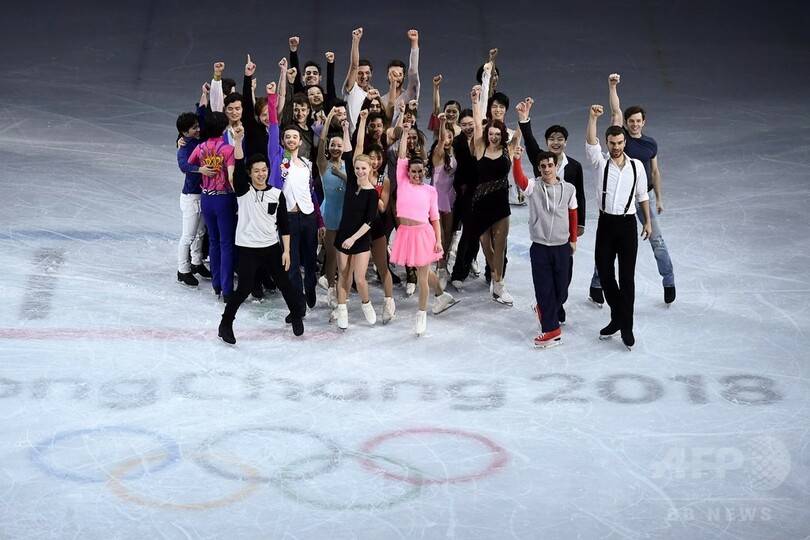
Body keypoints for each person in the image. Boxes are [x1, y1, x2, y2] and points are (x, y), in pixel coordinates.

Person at [589, 73, 676, 306]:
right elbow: (616, 110)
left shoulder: (650, 144)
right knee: (607, 245)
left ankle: (669, 281)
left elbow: (654, 172)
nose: (634, 124)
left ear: (643, 122)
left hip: (643, 197)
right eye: (631, 121)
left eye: (638, 121)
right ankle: (597, 283)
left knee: (657, 240)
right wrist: (612, 86)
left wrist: (658, 198)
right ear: (626, 124)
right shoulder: (621, 139)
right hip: (619, 200)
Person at [217, 126, 304, 344]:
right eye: (256, 170)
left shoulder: (276, 194)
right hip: (248, 249)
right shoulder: (243, 191)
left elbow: (284, 225)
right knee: (244, 289)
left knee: (285, 284)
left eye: (264, 170)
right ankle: (225, 324)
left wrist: (286, 251)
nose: (261, 174)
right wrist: (238, 141)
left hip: (271, 248)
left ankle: (296, 315)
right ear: (250, 173)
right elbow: (237, 168)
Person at [585, 104, 652, 350]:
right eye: (612, 143)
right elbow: (590, 142)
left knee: (627, 278)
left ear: (625, 142)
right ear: (608, 143)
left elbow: (642, 195)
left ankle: (626, 325)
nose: (616, 147)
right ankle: (620, 316)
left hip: (627, 225)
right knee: (604, 272)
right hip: (606, 223)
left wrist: (648, 222)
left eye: (620, 143)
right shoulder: (600, 164)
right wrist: (592, 117)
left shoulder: (635, 167)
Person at [516, 97, 586, 323]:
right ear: (547, 142)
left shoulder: (574, 166)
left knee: (564, 278)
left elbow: (579, 198)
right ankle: (552, 310)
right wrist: (524, 119)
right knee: (548, 277)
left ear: (565, 142)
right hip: (544, 231)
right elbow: (528, 140)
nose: (555, 142)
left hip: (565, 233)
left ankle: (556, 303)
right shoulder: (541, 160)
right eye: (552, 139)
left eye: (560, 139)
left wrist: (578, 229)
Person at [266, 80, 326, 319]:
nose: (291, 139)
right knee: (290, 263)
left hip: (309, 218)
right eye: (287, 137)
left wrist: (320, 222)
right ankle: (298, 306)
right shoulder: (278, 158)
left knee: (310, 262)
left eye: (294, 137)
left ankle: (310, 286)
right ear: (283, 141)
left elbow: (311, 194)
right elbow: (272, 125)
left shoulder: (307, 164)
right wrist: (272, 98)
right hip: (288, 218)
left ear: (300, 142)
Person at [390, 130, 458, 336]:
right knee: (424, 271)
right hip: (406, 234)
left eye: (420, 171)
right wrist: (403, 129)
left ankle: (421, 314)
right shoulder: (402, 182)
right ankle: (442, 295)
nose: (417, 175)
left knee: (421, 276)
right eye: (414, 171)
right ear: (407, 172)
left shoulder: (430, 191)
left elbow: (435, 218)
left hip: (423, 235)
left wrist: (438, 240)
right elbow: (402, 156)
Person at [512, 148, 578, 348]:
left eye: (550, 165)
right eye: (543, 166)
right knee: (544, 288)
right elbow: (519, 179)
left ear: (556, 166)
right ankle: (551, 330)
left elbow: (573, 213)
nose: (547, 169)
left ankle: (543, 309)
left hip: (562, 246)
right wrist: (517, 159)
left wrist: (573, 239)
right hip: (540, 246)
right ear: (538, 168)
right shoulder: (534, 186)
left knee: (562, 290)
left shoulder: (569, 189)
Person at [470, 83, 520, 306]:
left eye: (497, 134)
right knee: (484, 242)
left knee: (500, 244)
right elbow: (478, 124)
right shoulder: (480, 147)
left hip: (501, 202)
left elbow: (521, 133)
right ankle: (497, 280)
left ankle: (498, 283)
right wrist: (475, 101)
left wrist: (524, 115)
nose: (493, 137)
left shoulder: (508, 150)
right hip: (481, 202)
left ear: (502, 135)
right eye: (490, 133)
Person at [187, 111, 236, 301]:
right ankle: (227, 288)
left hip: (207, 198)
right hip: (223, 199)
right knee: (226, 244)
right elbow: (231, 178)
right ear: (224, 129)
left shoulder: (200, 148)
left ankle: (216, 285)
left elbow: (188, 165)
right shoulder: (228, 150)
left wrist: (201, 169)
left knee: (214, 241)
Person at [355, 110, 397, 323]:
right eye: (371, 157)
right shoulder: (358, 175)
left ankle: (389, 300)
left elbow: (382, 207)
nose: (375, 161)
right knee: (354, 271)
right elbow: (358, 148)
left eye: (378, 157)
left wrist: (371, 186)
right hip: (357, 228)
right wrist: (362, 121)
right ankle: (348, 303)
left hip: (377, 226)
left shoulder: (384, 181)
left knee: (382, 266)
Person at [333, 152, 380, 330]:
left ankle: (366, 304)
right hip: (344, 235)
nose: (360, 171)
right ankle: (342, 309)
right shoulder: (352, 182)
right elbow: (347, 153)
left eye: (363, 168)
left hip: (359, 239)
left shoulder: (372, 194)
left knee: (359, 278)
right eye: (357, 168)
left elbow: (369, 222)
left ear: (370, 169)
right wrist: (346, 129)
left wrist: (353, 239)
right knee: (343, 275)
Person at [316, 108, 350, 309]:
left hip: (345, 217)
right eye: (333, 145)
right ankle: (330, 288)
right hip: (329, 215)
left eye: (339, 145)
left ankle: (342, 290)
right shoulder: (323, 164)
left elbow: (354, 186)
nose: (336, 148)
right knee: (330, 257)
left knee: (343, 259)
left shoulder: (349, 166)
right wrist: (328, 119)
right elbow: (320, 142)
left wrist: (341, 174)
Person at [426, 114, 457, 289]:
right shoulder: (438, 152)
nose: (447, 140)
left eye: (450, 137)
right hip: (436, 197)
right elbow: (441, 139)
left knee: (448, 232)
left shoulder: (453, 153)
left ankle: (442, 262)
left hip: (449, 196)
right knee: (440, 235)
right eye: (444, 137)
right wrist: (443, 122)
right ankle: (440, 266)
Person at [343, 28, 373, 131]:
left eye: (367, 73)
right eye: (360, 74)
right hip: (351, 140)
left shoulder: (372, 95)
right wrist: (356, 41)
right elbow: (354, 65)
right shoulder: (351, 89)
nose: (364, 76)